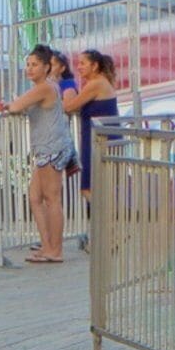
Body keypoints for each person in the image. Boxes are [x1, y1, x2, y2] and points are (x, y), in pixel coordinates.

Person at [1, 45, 72, 263]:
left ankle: (55, 250)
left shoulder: (45, 87)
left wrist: (8, 106)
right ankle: (47, 245)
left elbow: (17, 105)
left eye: (35, 65)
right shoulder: (45, 87)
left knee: (52, 198)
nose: (29, 69)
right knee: (35, 197)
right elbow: (19, 106)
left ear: (46, 67)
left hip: (51, 148)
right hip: (44, 148)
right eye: (28, 65)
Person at [66, 49, 121, 222]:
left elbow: (69, 106)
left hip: (99, 141)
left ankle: (106, 229)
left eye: (83, 63)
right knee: (101, 189)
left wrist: (66, 91)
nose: (79, 67)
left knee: (88, 189)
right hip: (100, 139)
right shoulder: (100, 82)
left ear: (94, 65)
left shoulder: (96, 83)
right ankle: (107, 231)